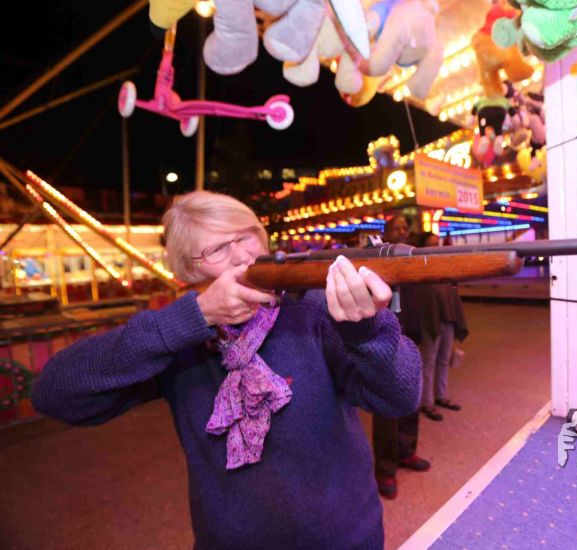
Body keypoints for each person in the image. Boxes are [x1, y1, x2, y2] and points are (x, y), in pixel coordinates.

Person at [31, 191, 422, 549]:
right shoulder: (177, 340)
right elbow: (55, 393)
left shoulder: (311, 309)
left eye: (246, 236)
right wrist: (193, 318)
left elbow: (401, 396)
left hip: (346, 538)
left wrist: (366, 331)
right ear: (188, 271)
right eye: (217, 248)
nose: (241, 256)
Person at [372, 215, 431, 499]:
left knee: (411, 400)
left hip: (412, 337)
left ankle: (407, 451)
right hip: (386, 343)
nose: (402, 232)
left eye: (405, 228)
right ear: (386, 233)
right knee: (386, 407)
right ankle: (385, 469)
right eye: (396, 228)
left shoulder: (413, 259)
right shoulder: (378, 264)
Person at [413, 233, 469, 422]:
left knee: (443, 360)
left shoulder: (443, 265)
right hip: (430, 321)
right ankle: (427, 402)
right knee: (428, 362)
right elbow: (421, 299)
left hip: (447, 319)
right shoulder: (419, 268)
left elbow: (452, 291)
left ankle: (440, 395)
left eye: (437, 243)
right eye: (431, 244)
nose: (436, 247)